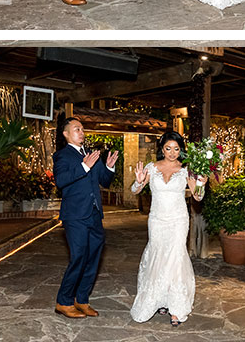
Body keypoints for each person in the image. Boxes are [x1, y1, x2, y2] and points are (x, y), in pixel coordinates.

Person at [129, 131, 204, 327]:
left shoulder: (187, 170)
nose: (172, 153)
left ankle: (176, 307)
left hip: (178, 220)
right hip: (157, 220)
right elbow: (135, 190)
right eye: (168, 148)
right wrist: (138, 181)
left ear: (181, 150)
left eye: (176, 149)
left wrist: (201, 184)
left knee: (176, 257)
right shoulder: (151, 168)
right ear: (162, 149)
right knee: (158, 256)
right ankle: (159, 299)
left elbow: (197, 197)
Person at [52, 115, 119, 319]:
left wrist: (108, 167)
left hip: (94, 214)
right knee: (79, 257)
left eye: (82, 129)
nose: (81, 132)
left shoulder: (91, 154)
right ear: (66, 134)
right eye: (77, 129)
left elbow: (104, 182)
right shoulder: (62, 156)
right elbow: (61, 181)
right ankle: (63, 301)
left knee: (93, 258)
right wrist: (84, 167)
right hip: (75, 216)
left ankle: (81, 299)